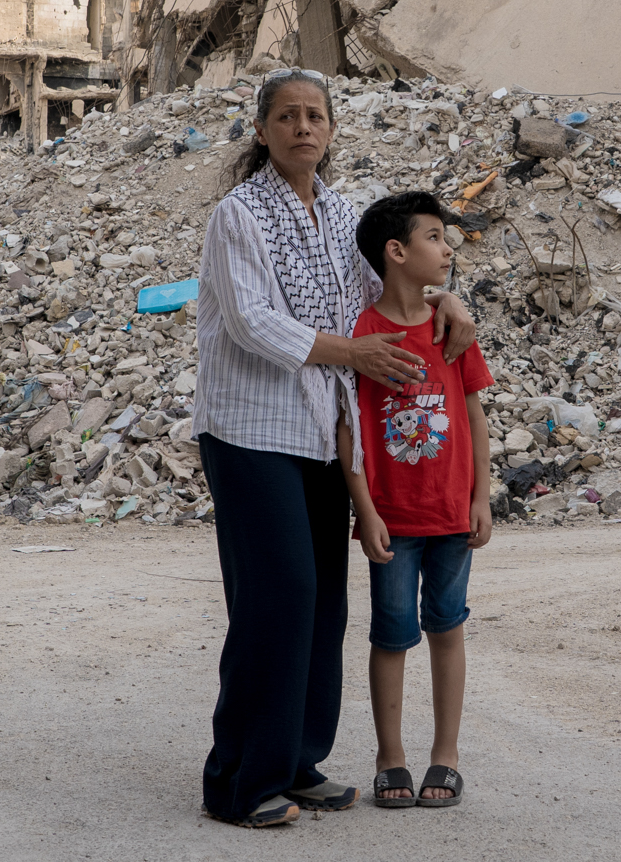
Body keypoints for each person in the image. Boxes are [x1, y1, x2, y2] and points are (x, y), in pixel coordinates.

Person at [193, 69, 478, 829]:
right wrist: (353, 356)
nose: (302, 128)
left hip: (324, 433)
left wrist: (448, 296)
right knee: (275, 600)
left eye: (315, 115)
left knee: (322, 604)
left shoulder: (341, 212)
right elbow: (254, 323)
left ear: (330, 129)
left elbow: (390, 284)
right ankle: (237, 781)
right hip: (250, 430)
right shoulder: (238, 215)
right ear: (262, 131)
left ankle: (296, 761)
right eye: (286, 116)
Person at [338, 192, 492, 811]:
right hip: (393, 519)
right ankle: (390, 758)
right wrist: (365, 510)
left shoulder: (451, 327)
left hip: (453, 512)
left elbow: (475, 413)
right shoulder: (362, 335)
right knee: (392, 634)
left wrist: (483, 496)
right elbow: (348, 426)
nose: (448, 247)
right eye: (434, 236)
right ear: (396, 252)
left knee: (448, 628)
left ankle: (446, 757)